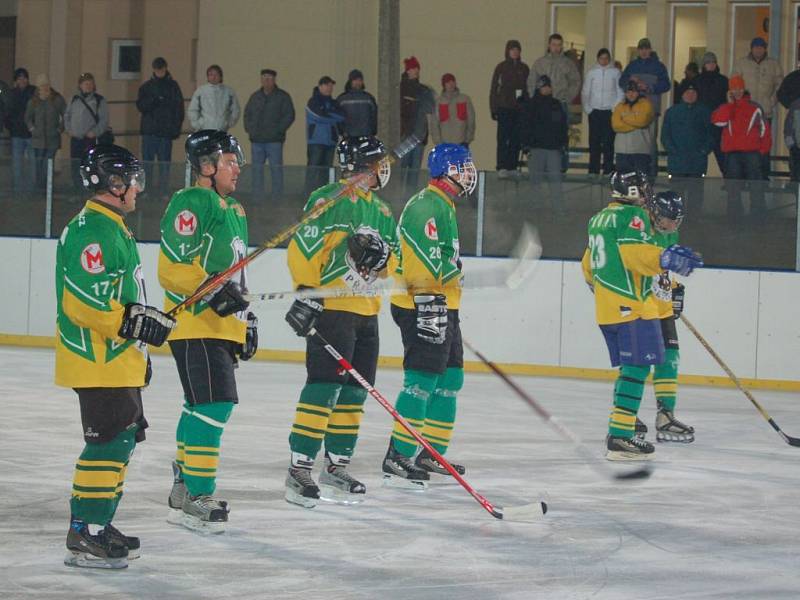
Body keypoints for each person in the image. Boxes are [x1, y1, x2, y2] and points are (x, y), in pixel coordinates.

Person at [56, 144, 175, 568]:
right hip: (98, 360)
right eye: (133, 180)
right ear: (114, 183)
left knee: (123, 440)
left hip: (117, 359)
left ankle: (98, 523)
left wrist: (142, 319)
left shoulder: (111, 226)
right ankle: (84, 530)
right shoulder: (93, 229)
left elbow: (117, 299)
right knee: (108, 444)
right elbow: (82, 304)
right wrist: (133, 323)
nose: (138, 188)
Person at [283, 135, 398, 508]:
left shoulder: (381, 211)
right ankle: (300, 467)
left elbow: (391, 266)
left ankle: (336, 466)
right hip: (332, 311)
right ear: (362, 166)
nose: (384, 169)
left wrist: (383, 262)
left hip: (367, 312)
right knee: (322, 388)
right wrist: (306, 292)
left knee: (354, 393)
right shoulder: (328, 199)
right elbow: (304, 248)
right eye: (377, 162)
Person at [158, 130, 255, 533]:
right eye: (231, 161)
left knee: (199, 405)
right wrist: (214, 289)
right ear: (206, 166)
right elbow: (172, 268)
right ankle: (198, 495)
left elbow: (237, 274)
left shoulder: (234, 209)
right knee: (216, 405)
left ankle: (183, 488)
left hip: (220, 325)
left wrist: (246, 320)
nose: (238, 169)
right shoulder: (191, 201)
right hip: (195, 322)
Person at [581, 171, 702, 460]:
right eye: (644, 188)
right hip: (632, 304)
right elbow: (635, 255)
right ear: (633, 190)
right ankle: (620, 437)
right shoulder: (632, 216)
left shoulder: (598, 218)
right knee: (637, 367)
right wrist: (663, 259)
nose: (647, 193)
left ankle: (623, 429)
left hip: (610, 304)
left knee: (633, 367)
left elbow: (587, 267)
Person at [381, 143, 476, 488]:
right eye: (464, 166)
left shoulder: (444, 205)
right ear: (447, 170)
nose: (469, 173)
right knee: (421, 382)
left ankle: (429, 451)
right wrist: (429, 300)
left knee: (450, 380)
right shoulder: (425, 206)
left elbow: (442, 260)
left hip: (443, 304)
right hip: (422, 304)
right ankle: (398, 455)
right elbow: (421, 260)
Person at [641, 190, 695, 444]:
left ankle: (665, 416)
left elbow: (667, 268)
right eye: (668, 219)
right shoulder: (638, 228)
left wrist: (675, 291)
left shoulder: (670, 232)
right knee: (637, 363)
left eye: (677, 220)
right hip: (640, 304)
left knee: (670, 357)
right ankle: (626, 415)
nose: (673, 225)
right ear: (654, 214)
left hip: (661, 304)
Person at [711, 76, 771, 217]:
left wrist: (763, 150)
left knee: (756, 187)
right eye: (734, 88)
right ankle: (734, 216)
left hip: (752, 152)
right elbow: (718, 121)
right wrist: (730, 104)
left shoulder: (755, 107)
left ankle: (757, 216)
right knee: (733, 188)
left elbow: (765, 130)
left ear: (743, 89)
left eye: (739, 88)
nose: (737, 91)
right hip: (733, 153)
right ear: (730, 91)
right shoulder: (726, 107)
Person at [528, 33, 581, 173]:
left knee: (561, 135)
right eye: (553, 45)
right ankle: (541, 166)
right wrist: (536, 98)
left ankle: (561, 166)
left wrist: (566, 97)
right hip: (542, 106)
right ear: (549, 45)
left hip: (560, 105)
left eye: (559, 45)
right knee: (542, 135)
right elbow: (531, 81)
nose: (556, 48)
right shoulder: (540, 63)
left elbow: (575, 82)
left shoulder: (567, 63)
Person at [731, 37, 782, 177]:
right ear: (751, 48)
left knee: (763, 144)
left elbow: (780, 85)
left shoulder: (773, 64)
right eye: (756, 47)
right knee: (745, 144)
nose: (758, 50)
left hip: (765, 112)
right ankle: (745, 175)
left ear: (765, 48)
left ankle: (762, 176)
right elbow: (734, 84)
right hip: (745, 113)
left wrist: (772, 101)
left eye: (761, 47)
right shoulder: (741, 63)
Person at [619, 39, 671, 178]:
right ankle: (635, 173)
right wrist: (632, 83)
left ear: (650, 49)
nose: (643, 51)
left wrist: (649, 88)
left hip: (651, 110)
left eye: (646, 48)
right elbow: (622, 82)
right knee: (634, 142)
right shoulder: (632, 66)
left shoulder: (659, 66)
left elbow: (666, 85)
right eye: (641, 49)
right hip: (633, 109)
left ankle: (651, 174)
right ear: (638, 50)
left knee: (650, 143)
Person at [136, 57, 185, 196]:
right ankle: (148, 190)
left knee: (164, 164)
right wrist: (154, 100)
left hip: (164, 132)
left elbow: (179, 110)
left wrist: (175, 129)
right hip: (150, 131)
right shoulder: (147, 87)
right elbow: (141, 106)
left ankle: (163, 190)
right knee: (148, 164)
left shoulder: (173, 87)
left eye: (161, 68)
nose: (159, 71)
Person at [243, 68, 295, 200]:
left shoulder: (283, 97)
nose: (267, 81)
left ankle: (277, 197)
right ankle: (257, 197)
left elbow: (289, 115)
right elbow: (247, 114)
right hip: (257, 140)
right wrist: (251, 130)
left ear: (274, 80)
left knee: (276, 170)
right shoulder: (255, 97)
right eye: (264, 78)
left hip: (274, 140)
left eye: (270, 78)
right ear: (261, 80)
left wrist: (279, 130)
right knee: (256, 170)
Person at [660, 82, 712, 209]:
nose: (690, 95)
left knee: (696, 194)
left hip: (697, 162)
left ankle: (694, 221)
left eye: (693, 92)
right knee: (676, 195)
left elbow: (711, 135)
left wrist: (703, 151)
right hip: (677, 162)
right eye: (687, 92)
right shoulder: (672, 112)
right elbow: (665, 136)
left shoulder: (705, 112)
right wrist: (672, 151)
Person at [520, 75, 567, 211]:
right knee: (535, 182)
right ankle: (535, 209)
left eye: (548, 86)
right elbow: (525, 126)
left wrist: (563, 144)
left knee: (555, 182)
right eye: (543, 87)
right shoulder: (530, 105)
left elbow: (562, 126)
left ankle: (558, 209)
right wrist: (526, 145)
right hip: (536, 149)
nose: (546, 89)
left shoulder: (556, 104)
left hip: (553, 149)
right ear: (538, 88)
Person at [490, 40, 529, 179]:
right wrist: (494, 108)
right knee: (503, 138)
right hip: (504, 108)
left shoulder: (524, 68)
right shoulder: (501, 68)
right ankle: (501, 166)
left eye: (517, 49)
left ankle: (512, 166)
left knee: (516, 139)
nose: (515, 52)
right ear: (507, 51)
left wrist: (526, 107)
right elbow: (494, 89)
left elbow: (527, 90)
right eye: (512, 49)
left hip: (518, 109)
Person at [581, 48, 624, 176]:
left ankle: (608, 171)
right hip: (595, 112)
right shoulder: (591, 73)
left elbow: (620, 92)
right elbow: (585, 92)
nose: (604, 61)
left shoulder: (615, 73)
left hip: (609, 112)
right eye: (601, 58)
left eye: (606, 58)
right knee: (594, 143)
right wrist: (588, 109)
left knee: (608, 143)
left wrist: (614, 108)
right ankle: (593, 171)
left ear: (609, 59)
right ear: (597, 59)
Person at [65, 73, 111, 190]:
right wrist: (68, 130)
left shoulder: (99, 100)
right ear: (80, 85)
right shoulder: (74, 100)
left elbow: (103, 121)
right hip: (76, 139)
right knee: (75, 165)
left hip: (90, 139)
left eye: (90, 83)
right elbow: (67, 115)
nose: (88, 86)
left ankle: (89, 189)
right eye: (86, 83)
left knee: (90, 166)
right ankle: (77, 189)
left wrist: (94, 132)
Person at [24, 74, 66, 189]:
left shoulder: (57, 99)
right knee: (38, 165)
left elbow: (65, 115)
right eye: (41, 86)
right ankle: (39, 187)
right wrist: (32, 129)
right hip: (37, 140)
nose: (44, 87)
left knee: (48, 165)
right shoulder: (33, 101)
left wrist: (60, 128)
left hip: (53, 139)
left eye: (46, 85)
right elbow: (27, 117)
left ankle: (48, 188)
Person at [304, 75, 345, 194]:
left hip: (330, 141)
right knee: (313, 169)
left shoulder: (334, 103)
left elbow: (342, 116)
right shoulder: (313, 102)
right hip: (316, 141)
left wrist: (327, 115)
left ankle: (324, 194)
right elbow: (317, 116)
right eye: (327, 85)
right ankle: (309, 194)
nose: (329, 88)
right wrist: (332, 117)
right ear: (320, 86)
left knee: (327, 170)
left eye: (331, 86)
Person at [400, 56, 435, 191]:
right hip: (407, 135)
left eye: (416, 68)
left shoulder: (424, 90)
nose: (415, 71)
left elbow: (430, 112)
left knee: (413, 172)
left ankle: (408, 197)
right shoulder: (402, 89)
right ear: (407, 71)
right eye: (412, 68)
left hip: (418, 136)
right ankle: (401, 197)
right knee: (403, 170)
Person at [694, 52, 729, 175]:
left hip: (719, 122)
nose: (711, 65)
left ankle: (728, 178)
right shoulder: (697, 81)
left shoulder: (723, 81)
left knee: (722, 155)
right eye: (708, 62)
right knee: (701, 154)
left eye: (713, 62)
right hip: (703, 122)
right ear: (704, 65)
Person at [612, 81, 655, 177]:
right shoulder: (619, 106)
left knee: (641, 181)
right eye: (628, 92)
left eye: (634, 91)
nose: (631, 94)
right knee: (623, 182)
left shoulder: (646, 104)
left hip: (640, 150)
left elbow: (642, 121)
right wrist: (635, 122)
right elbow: (616, 125)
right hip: (622, 150)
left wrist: (625, 119)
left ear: (639, 92)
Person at [4, 67, 36, 194]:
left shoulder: (33, 92)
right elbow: (7, 112)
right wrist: (10, 127)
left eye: (24, 77)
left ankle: (32, 189)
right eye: (19, 78)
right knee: (16, 163)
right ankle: (18, 189)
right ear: (16, 80)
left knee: (32, 163)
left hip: (31, 133)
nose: (22, 80)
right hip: (16, 133)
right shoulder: (11, 94)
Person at [188, 65, 240, 132]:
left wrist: (228, 123)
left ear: (221, 76)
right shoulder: (201, 91)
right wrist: (198, 124)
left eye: (216, 74)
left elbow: (235, 109)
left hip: (221, 130)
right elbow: (193, 109)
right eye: (211, 75)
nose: (213, 77)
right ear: (208, 77)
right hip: (204, 129)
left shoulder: (228, 92)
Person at [429, 73, 475, 147]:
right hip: (444, 144)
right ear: (444, 85)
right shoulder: (439, 102)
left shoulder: (465, 99)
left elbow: (471, 121)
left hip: (461, 143)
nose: (451, 84)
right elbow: (434, 124)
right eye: (448, 82)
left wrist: (467, 140)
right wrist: (438, 142)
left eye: (452, 81)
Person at [336, 69, 378, 138]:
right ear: (350, 81)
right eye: (355, 80)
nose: (358, 82)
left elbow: (374, 116)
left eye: (360, 80)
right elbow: (337, 117)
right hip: (349, 137)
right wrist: (342, 131)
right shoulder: (342, 99)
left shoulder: (369, 98)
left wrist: (373, 131)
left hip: (366, 135)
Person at [784, 97, 800, 182]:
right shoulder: (795, 105)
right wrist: (792, 147)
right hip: (797, 150)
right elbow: (788, 129)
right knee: (796, 179)